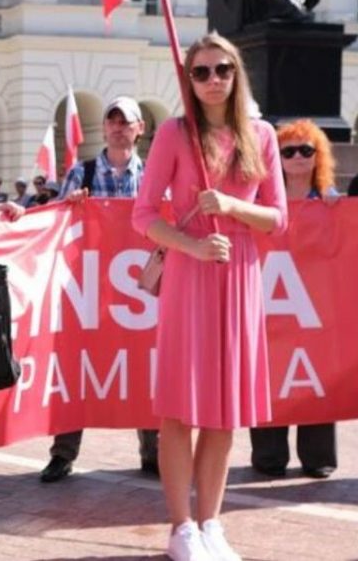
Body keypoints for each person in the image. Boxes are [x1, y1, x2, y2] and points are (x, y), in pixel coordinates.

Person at [132, 33, 287, 561]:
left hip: (239, 273)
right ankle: (181, 528)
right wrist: (192, 246)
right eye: (201, 72)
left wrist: (232, 206)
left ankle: (211, 523)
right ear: (189, 80)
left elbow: (278, 218)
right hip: (190, 271)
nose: (213, 79)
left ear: (236, 74)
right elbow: (143, 214)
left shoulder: (262, 135)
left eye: (222, 69)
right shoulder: (174, 134)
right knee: (180, 407)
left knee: (225, 410)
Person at [41, 96, 158, 483]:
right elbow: (56, 225)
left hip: (139, 292)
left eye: (126, 121)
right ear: (104, 127)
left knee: (144, 365)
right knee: (78, 367)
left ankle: (154, 452)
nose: (119, 127)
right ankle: (63, 453)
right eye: (113, 120)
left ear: (140, 129)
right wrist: (70, 205)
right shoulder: (82, 172)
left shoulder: (153, 175)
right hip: (88, 289)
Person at [249, 118, 337, 479]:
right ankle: (268, 456)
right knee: (269, 372)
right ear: (276, 158)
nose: (298, 157)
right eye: (288, 151)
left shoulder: (332, 203)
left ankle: (318, 457)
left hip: (318, 305)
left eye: (306, 150)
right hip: (271, 299)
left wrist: (338, 211)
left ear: (319, 156)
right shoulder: (262, 202)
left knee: (318, 374)